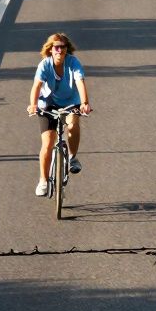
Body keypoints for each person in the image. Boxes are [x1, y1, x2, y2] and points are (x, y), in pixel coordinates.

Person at [27, 32, 91, 196]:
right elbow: (36, 86)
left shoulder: (73, 62)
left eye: (63, 47)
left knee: (73, 124)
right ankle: (43, 180)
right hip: (47, 105)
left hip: (70, 102)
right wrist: (33, 105)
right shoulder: (44, 65)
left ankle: (72, 157)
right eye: (56, 47)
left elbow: (80, 82)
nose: (60, 50)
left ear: (67, 49)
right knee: (48, 143)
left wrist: (84, 103)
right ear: (50, 49)